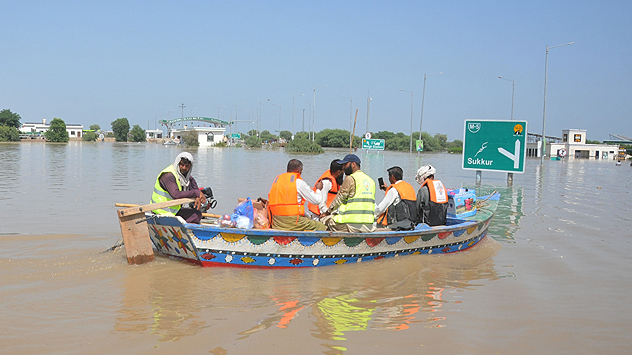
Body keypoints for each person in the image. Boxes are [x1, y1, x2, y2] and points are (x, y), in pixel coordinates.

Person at [321, 154, 376, 233]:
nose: (343, 167)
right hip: (368, 225)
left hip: (351, 224)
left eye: (345, 164)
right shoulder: (371, 181)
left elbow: (338, 199)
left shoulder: (350, 179)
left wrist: (326, 213)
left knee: (324, 220)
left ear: (353, 164)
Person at [268, 159, 327, 231]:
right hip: (292, 222)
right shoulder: (298, 183)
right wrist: (318, 189)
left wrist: (307, 216)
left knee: (307, 219)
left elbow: (289, 205)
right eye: (301, 170)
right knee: (320, 226)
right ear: (297, 170)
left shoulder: (277, 180)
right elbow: (316, 200)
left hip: (276, 221)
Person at [151, 152, 207, 223]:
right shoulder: (168, 175)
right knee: (196, 216)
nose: (184, 168)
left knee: (197, 214)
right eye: (182, 165)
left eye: (187, 166)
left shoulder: (185, 177)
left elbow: (193, 187)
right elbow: (176, 195)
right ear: (177, 164)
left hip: (173, 211)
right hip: (160, 212)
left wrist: (199, 196)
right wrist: (196, 193)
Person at [375, 166, 418, 230]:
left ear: (392, 176)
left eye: (389, 177)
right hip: (409, 223)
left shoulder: (393, 190)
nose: (389, 179)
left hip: (397, 224)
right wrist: (387, 189)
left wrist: (374, 214)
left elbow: (380, 209)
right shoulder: (409, 187)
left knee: (373, 224)